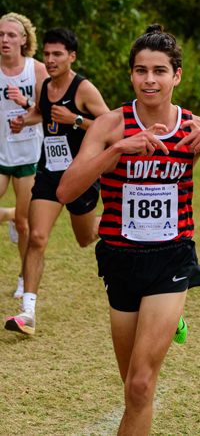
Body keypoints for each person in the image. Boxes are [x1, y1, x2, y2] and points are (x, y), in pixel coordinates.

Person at [58, 24, 200, 435]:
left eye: (160, 71)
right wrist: (116, 150)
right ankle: (167, 325)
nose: (149, 79)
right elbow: (66, 190)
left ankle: (168, 315)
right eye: (140, 70)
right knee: (135, 392)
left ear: (177, 75)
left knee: (139, 383)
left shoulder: (194, 128)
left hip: (172, 257)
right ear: (131, 75)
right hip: (119, 257)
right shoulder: (111, 126)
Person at [5, 27, 109, 335]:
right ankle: (28, 312)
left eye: (57, 54)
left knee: (84, 237)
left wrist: (75, 120)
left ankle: (113, 222)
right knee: (37, 237)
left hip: (81, 174)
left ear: (71, 56)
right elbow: (42, 110)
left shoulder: (84, 89)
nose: (50, 60)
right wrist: (26, 119)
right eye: (47, 54)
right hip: (49, 172)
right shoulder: (44, 85)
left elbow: (111, 126)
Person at [0, 12, 48, 297]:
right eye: (1, 35)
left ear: (24, 40)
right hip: (1, 152)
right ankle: (8, 214)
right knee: (18, 218)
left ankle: (22, 275)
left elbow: (50, 111)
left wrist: (27, 101)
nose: (4, 40)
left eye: (10, 35)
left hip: (29, 155)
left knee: (24, 223)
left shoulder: (37, 70)